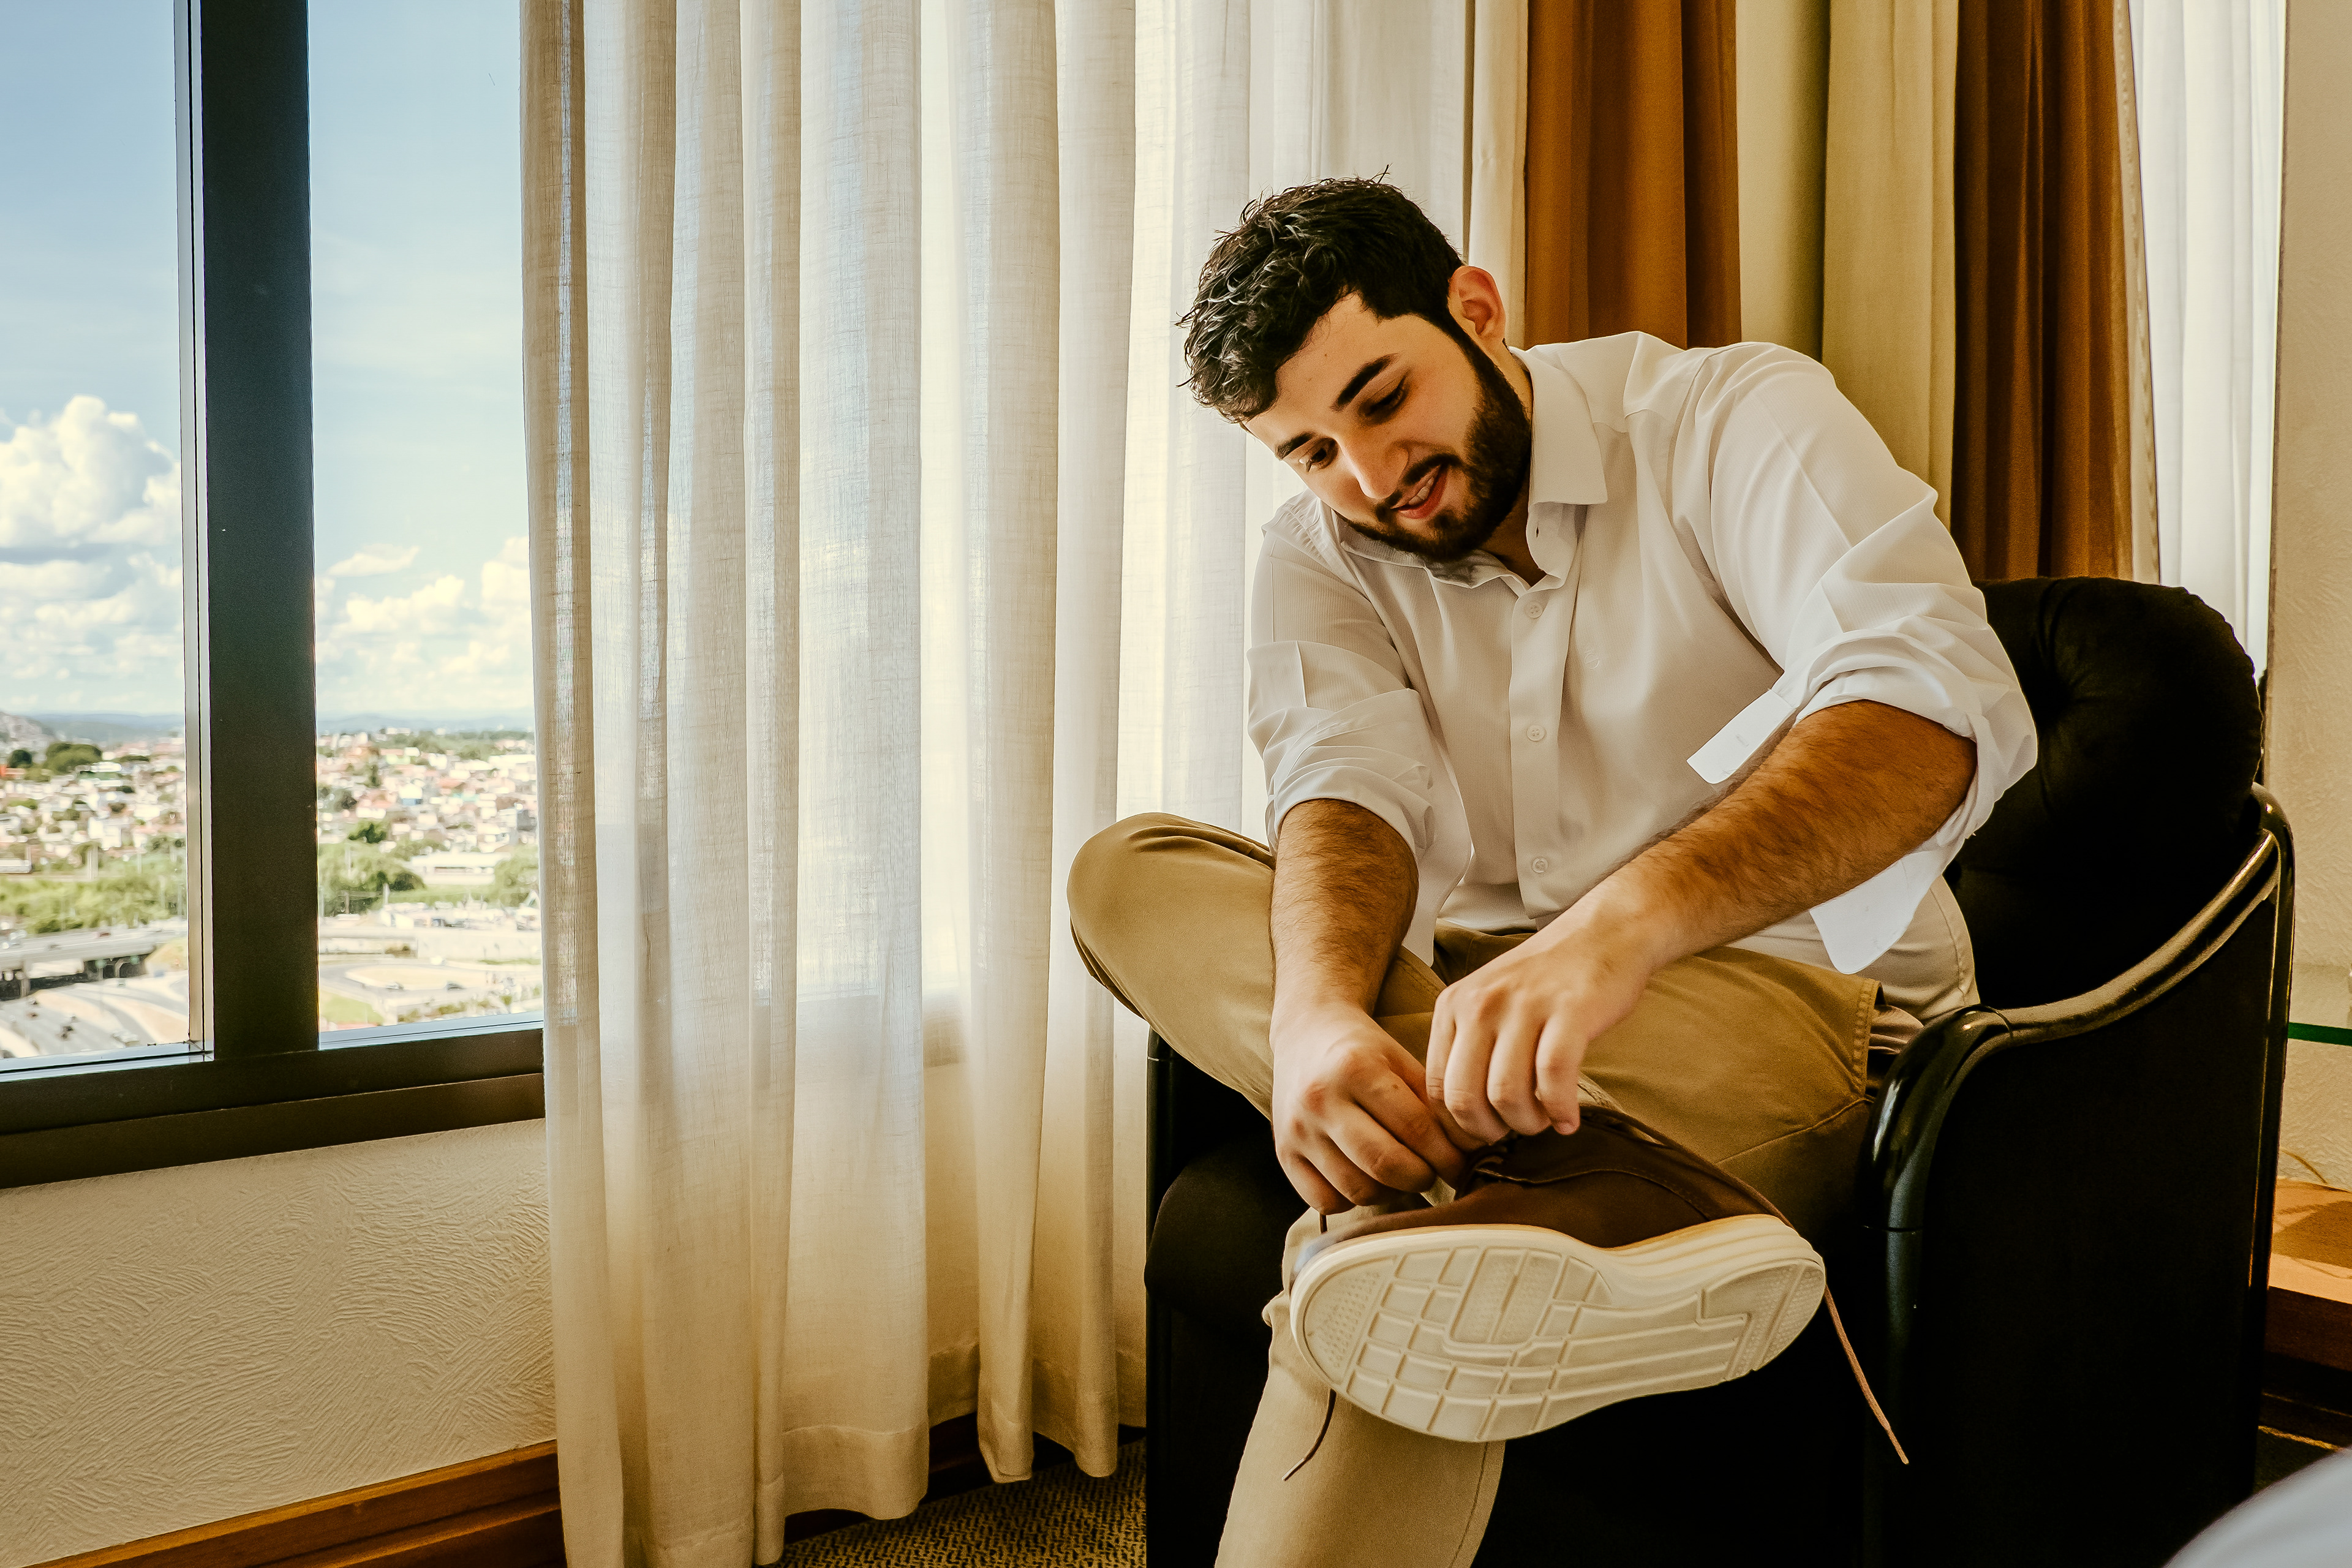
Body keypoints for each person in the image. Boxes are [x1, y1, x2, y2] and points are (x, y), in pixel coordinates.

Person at [1067, 177, 2037, 1567]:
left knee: (1392, 1261)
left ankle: (1447, 1200)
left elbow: (1926, 708)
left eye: (1385, 399)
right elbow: (1343, 792)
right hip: (1483, 992)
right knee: (1127, 870)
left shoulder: (1725, 420)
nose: (1370, 477)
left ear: (1476, 309)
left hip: (1796, 995)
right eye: (1313, 451)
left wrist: (1619, 929)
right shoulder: (1321, 554)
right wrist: (1317, 1023)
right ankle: (1549, 1178)